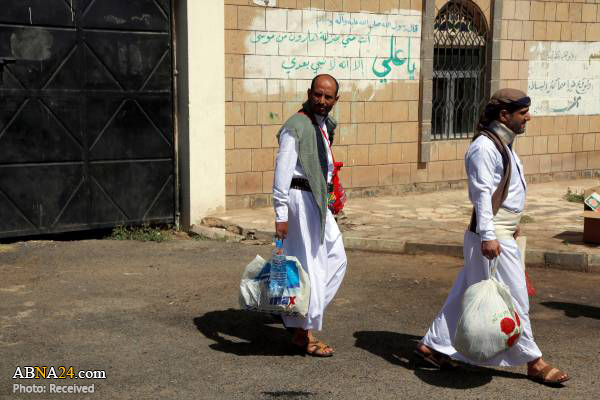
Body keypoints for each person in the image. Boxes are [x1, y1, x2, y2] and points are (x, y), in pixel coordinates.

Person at [414, 89, 570, 386]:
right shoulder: (485, 147)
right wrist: (490, 235)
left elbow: (505, 190)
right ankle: (533, 361)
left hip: (500, 231)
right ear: (504, 115)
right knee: (514, 299)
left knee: (467, 293)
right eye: (523, 113)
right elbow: (482, 196)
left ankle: (433, 346)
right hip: (491, 236)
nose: (529, 117)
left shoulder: (503, 143)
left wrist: (512, 224)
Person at [272, 74, 347, 357]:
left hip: (317, 202)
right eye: (318, 95)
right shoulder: (297, 126)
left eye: (328, 97)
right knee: (311, 266)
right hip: (299, 202)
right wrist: (281, 214)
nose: (322, 101)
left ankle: (296, 315)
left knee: (337, 260)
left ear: (335, 100)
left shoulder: (323, 125)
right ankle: (302, 330)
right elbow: (282, 172)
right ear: (309, 93)